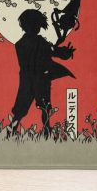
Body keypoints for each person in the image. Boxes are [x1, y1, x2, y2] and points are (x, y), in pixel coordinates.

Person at [11, 9, 75, 138]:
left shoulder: (19, 44)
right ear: (36, 25)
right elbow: (55, 52)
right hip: (41, 79)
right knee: (45, 108)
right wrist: (65, 52)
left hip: (27, 81)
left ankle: (10, 132)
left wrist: (57, 49)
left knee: (20, 110)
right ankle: (46, 132)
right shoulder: (40, 42)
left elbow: (51, 50)